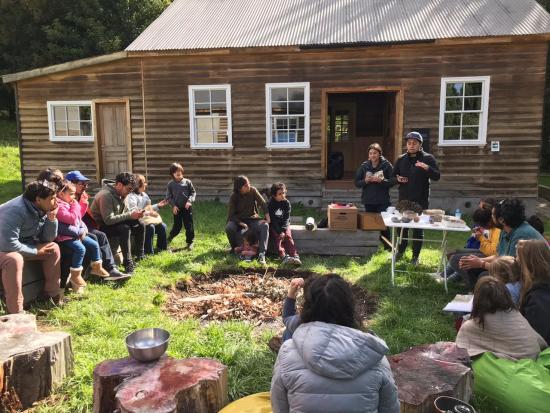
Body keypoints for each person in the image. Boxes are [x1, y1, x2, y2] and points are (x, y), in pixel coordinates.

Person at [271, 274, 400, 413]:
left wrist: (291, 296)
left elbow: (279, 406)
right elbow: (391, 409)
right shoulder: (375, 355)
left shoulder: (286, 353)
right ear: (350, 307)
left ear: (307, 307)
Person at [0, 181, 62, 313]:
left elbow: (47, 239)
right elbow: (8, 244)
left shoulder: (42, 208)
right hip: (4, 248)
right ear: (38, 199)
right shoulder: (15, 210)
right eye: (52, 198)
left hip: (20, 245)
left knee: (53, 248)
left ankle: (51, 297)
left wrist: (51, 218)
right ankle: (16, 312)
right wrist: (35, 251)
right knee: (14, 259)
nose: (56, 201)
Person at [459, 198, 545, 290]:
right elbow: (498, 256)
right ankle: (477, 296)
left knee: (485, 277)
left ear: (502, 220)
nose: (491, 217)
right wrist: (478, 260)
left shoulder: (521, 235)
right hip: (517, 273)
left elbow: (510, 270)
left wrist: (481, 264)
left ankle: (495, 300)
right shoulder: (506, 230)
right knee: (472, 267)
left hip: (533, 280)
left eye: (492, 214)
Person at [456, 276, 546, 360]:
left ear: (477, 299)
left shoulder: (473, 325)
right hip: (534, 358)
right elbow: (539, 341)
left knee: (479, 361)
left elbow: (461, 350)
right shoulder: (515, 314)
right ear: (506, 294)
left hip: (518, 366)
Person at [63, 170, 130, 280]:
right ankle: (100, 270)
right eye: (82, 183)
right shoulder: (67, 198)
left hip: (82, 225)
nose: (85, 186)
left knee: (101, 235)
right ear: (71, 184)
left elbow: (80, 218)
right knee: (96, 237)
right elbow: (73, 218)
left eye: (86, 183)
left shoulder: (82, 197)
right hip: (69, 229)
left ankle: (110, 269)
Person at [392, 131, 440, 264]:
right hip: (404, 200)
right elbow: (393, 176)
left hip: (420, 200)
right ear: (406, 145)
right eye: (409, 143)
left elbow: (437, 176)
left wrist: (427, 168)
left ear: (420, 144)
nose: (411, 145)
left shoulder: (428, 158)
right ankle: (400, 252)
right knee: (402, 228)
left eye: (414, 143)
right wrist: (398, 179)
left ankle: (415, 256)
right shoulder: (401, 159)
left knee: (418, 229)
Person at [55, 180, 110, 294]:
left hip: (76, 234)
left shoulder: (68, 203)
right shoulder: (59, 206)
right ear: (61, 194)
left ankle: (96, 267)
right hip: (65, 237)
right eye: (71, 194)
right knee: (81, 249)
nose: (73, 197)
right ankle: (75, 275)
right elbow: (72, 218)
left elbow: (79, 219)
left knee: (94, 244)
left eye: (74, 194)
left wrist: (83, 229)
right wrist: (76, 205)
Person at [90, 172, 145, 274]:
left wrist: (135, 215)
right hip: (100, 226)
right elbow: (108, 220)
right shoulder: (105, 195)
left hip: (115, 222)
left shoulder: (123, 193)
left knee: (140, 223)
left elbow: (126, 212)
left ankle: (140, 255)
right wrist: (130, 215)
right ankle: (128, 263)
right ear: (119, 185)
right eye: (128, 189)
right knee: (124, 229)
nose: (130, 192)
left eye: (131, 189)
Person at [354, 143, 394, 250]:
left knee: (383, 223)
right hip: (369, 200)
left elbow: (393, 181)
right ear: (368, 155)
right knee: (370, 223)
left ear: (379, 154)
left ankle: (388, 247)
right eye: (370, 153)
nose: (373, 155)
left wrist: (382, 181)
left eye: (375, 153)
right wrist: (366, 181)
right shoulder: (364, 166)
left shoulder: (387, 165)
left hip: (383, 200)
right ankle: (371, 246)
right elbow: (357, 183)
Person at [445, 207, 501, 282]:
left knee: (454, 258)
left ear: (489, 222)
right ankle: (445, 275)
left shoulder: (497, 230)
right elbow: (490, 243)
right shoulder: (491, 228)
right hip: (484, 252)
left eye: (481, 225)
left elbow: (493, 252)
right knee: (453, 252)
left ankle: (472, 282)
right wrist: (482, 233)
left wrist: (481, 238)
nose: (481, 226)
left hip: (489, 256)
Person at [226, 176, 270, 265]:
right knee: (229, 228)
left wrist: (267, 218)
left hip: (252, 219)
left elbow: (263, 203)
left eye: (249, 183)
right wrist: (241, 223)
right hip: (238, 220)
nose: (249, 186)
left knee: (265, 226)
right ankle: (234, 248)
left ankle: (262, 254)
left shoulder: (253, 190)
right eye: (246, 185)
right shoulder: (234, 196)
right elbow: (231, 215)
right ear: (239, 188)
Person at [516, 239, 550, 344]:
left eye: (517, 258)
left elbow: (535, 340)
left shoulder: (537, 298)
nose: (515, 261)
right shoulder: (542, 288)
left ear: (527, 264)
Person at [126, 174, 168, 255]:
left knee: (162, 226)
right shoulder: (131, 197)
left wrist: (158, 205)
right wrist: (149, 213)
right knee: (150, 228)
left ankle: (161, 248)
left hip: (145, 219)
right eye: (144, 182)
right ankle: (148, 252)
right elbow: (134, 212)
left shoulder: (144, 195)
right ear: (138, 185)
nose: (146, 184)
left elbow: (148, 208)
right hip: (135, 221)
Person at [268, 182, 301, 265]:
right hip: (274, 225)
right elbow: (272, 219)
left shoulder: (286, 203)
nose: (283, 195)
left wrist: (283, 230)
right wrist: (279, 232)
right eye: (279, 194)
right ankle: (283, 256)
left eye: (283, 193)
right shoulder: (271, 203)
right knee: (278, 237)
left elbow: (287, 218)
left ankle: (295, 256)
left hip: (284, 225)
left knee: (288, 236)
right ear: (274, 195)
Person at [165, 163, 196, 250]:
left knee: (189, 226)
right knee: (177, 226)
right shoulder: (170, 184)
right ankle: (168, 239)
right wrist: (173, 206)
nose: (178, 174)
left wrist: (189, 201)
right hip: (177, 209)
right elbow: (168, 197)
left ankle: (190, 242)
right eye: (176, 173)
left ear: (182, 172)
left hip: (186, 208)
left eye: (180, 172)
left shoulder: (187, 182)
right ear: (172, 174)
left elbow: (193, 193)